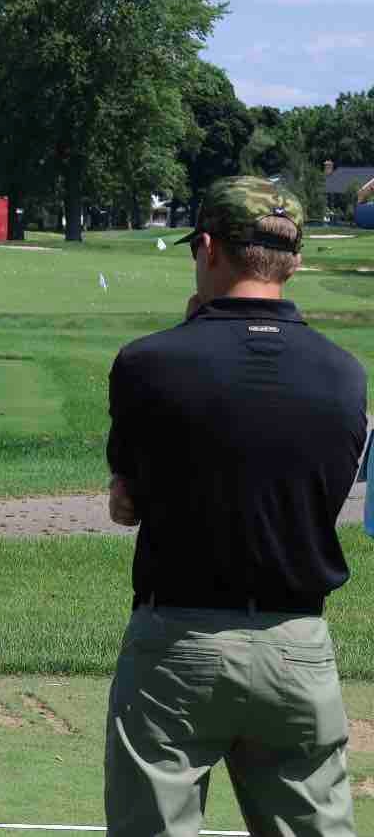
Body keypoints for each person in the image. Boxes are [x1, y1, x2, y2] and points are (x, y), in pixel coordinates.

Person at [104, 177, 365, 837]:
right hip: (297, 645)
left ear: (211, 249)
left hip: (178, 642)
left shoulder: (147, 362)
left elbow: (128, 502)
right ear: (294, 260)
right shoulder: (343, 372)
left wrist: (194, 326)